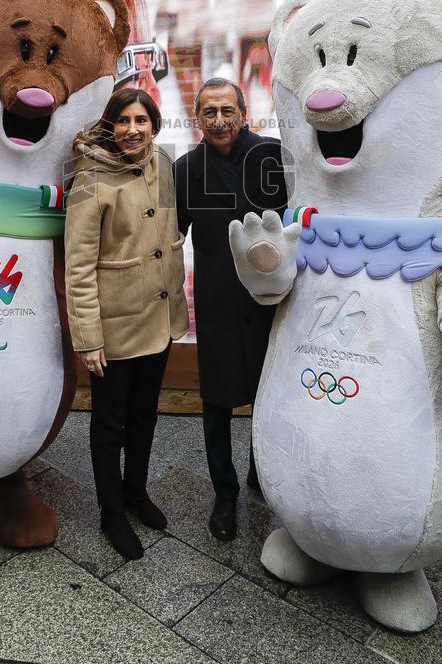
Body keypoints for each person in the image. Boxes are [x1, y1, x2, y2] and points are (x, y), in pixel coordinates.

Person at [65, 88, 189, 560]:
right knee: (109, 424)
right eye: (123, 121)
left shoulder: (162, 162)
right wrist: (88, 338)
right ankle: (111, 513)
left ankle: (136, 493)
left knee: (145, 416)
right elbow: (78, 265)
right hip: (114, 329)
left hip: (158, 318)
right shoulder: (90, 178)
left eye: (141, 120)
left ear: (153, 125)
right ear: (110, 127)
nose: (132, 129)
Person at [174, 79, 288, 541]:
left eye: (227, 110)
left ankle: (265, 475)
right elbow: (168, 236)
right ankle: (225, 494)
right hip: (217, 302)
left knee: (269, 395)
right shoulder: (185, 169)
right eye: (208, 113)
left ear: (244, 113)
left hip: (269, 303)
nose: (218, 120)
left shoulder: (274, 158)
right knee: (216, 402)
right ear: (198, 118)